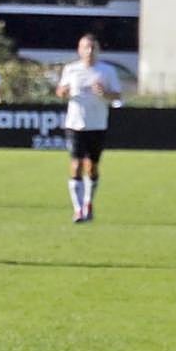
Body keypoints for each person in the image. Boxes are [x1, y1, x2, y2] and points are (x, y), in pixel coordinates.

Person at [55, 33, 121, 223]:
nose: (90, 51)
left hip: (97, 124)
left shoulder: (106, 71)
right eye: (86, 48)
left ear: (98, 50)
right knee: (75, 166)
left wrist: (105, 93)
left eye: (93, 48)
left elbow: (117, 96)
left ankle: (88, 203)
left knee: (91, 167)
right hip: (75, 124)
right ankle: (77, 210)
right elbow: (60, 91)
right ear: (80, 50)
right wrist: (63, 91)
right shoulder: (71, 69)